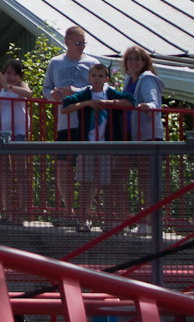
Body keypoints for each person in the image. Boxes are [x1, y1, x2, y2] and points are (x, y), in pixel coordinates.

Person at [60, 63, 134, 231]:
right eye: (94, 76)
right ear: (89, 78)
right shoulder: (85, 93)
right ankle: (83, 221)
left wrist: (108, 103)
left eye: (100, 76)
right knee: (86, 183)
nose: (97, 79)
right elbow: (65, 106)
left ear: (106, 79)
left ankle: (108, 221)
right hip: (87, 145)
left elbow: (130, 101)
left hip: (107, 146)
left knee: (107, 184)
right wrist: (85, 104)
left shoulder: (110, 92)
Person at [42, 26, 101, 226]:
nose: (80, 46)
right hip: (64, 122)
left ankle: (85, 214)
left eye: (83, 43)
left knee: (87, 169)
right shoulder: (55, 63)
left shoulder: (92, 62)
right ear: (66, 42)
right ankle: (70, 212)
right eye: (77, 43)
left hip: (87, 123)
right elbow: (46, 88)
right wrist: (53, 95)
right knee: (63, 167)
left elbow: (100, 88)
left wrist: (73, 90)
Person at [0, 59, 32, 224]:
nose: (12, 77)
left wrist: (8, 86)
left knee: (20, 173)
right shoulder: (0, 88)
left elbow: (29, 95)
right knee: (5, 173)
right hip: (1, 132)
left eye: (15, 74)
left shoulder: (22, 86)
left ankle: (20, 214)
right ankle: (7, 212)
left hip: (19, 133)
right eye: (8, 73)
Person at [122, 45, 165, 143]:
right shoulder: (128, 79)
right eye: (130, 59)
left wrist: (147, 106)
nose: (133, 62)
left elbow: (154, 103)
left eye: (137, 59)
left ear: (144, 62)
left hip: (147, 136)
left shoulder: (147, 79)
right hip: (130, 132)